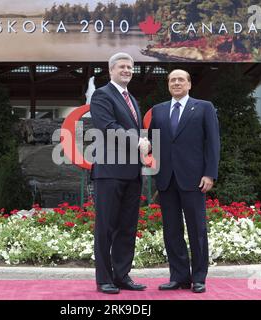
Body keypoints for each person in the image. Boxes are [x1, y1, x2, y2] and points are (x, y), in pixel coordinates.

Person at [148, 69, 220, 293]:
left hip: (195, 179)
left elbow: (213, 142)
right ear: (168, 85)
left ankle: (199, 278)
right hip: (167, 180)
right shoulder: (158, 110)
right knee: (171, 230)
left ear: (189, 84)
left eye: (181, 79)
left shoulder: (204, 107)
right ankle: (178, 277)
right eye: (172, 80)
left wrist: (210, 173)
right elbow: (153, 141)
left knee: (197, 229)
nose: (176, 83)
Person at [89, 52, 149, 294]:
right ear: (111, 70)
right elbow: (108, 127)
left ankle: (122, 275)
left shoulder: (131, 99)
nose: (127, 70)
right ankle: (104, 279)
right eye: (122, 66)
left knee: (127, 227)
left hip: (132, 174)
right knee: (106, 227)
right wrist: (137, 142)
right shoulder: (102, 95)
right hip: (109, 172)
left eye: (130, 67)